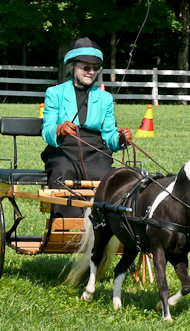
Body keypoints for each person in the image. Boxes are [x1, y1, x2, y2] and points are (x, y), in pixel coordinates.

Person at [41, 37, 132, 218]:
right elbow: (47, 129)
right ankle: (65, 226)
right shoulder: (55, 93)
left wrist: (121, 138)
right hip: (63, 151)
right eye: (85, 67)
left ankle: (104, 225)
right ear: (71, 67)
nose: (91, 72)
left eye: (95, 68)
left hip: (96, 152)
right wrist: (59, 129)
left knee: (108, 176)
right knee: (63, 171)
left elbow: (109, 136)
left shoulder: (105, 99)